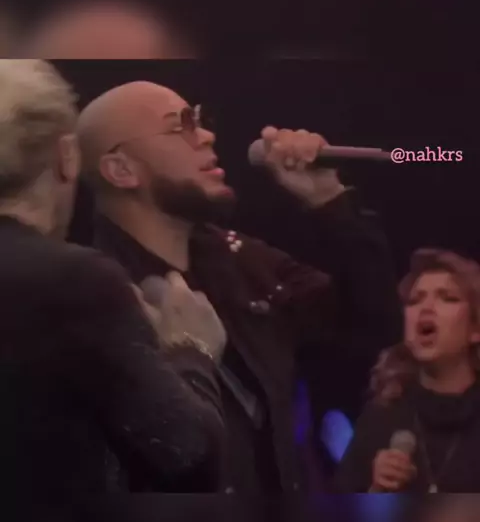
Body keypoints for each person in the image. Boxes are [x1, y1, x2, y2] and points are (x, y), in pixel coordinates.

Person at [77, 79, 401, 493]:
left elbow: (374, 326)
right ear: (121, 170)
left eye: (200, 120)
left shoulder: (242, 260)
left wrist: (329, 200)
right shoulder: (94, 302)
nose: (206, 136)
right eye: (180, 125)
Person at [0, 59, 227, 499]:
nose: (205, 137)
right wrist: (192, 352)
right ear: (68, 157)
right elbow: (189, 457)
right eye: (178, 126)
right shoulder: (73, 280)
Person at [336, 248, 480, 493]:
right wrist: (375, 492)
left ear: (475, 328)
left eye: (447, 298)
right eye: (415, 301)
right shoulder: (380, 417)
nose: (426, 307)